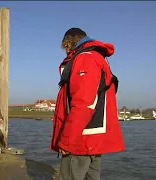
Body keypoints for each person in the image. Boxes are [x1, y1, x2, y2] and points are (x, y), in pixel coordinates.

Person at [50, 28, 125, 180]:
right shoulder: (98, 57)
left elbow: (84, 103)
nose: (65, 50)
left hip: (80, 139)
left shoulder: (85, 58)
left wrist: (66, 141)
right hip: (93, 138)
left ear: (69, 41)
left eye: (65, 46)